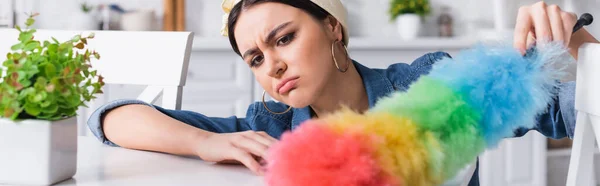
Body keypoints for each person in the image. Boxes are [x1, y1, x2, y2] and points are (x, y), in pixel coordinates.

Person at [87, 0, 599, 185]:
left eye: (283, 38)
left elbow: (584, 118)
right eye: (256, 59)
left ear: (333, 28)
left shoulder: (428, 85)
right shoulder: (272, 129)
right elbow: (110, 118)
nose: (273, 67)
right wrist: (205, 142)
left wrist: (575, 40)